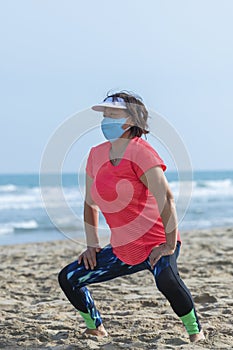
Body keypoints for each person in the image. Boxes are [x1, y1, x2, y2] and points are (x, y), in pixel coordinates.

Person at [58, 91, 205, 342]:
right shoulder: (96, 155)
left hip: (156, 242)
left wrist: (169, 244)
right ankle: (95, 327)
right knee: (69, 278)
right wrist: (92, 245)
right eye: (105, 115)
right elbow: (90, 203)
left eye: (112, 115)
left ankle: (195, 332)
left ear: (131, 121)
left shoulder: (142, 153)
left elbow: (166, 198)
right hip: (122, 248)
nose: (106, 120)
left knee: (167, 280)